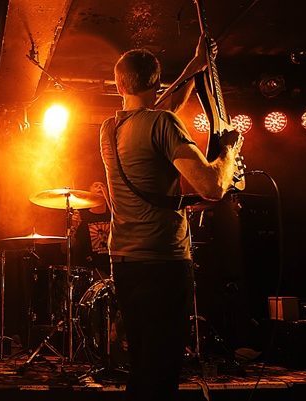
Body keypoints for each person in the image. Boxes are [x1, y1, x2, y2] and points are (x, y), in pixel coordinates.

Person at [99, 34, 243, 401]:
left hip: (125, 262)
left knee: (143, 366)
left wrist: (196, 66)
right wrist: (228, 152)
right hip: (163, 262)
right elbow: (212, 187)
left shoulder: (110, 128)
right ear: (156, 82)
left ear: (119, 84)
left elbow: (162, 110)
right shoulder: (162, 123)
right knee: (162, 372)